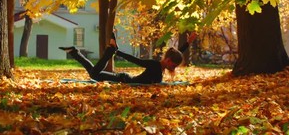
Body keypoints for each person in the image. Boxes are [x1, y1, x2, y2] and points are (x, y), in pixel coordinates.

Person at [59, 32, 197, 84]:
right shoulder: (154, 65)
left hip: (124, 78)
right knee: (94, 74)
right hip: (123, 79)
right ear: (168, 61)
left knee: (94, 73)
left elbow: (177, 53)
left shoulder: (163, 66)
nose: (173, 68)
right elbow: (135, 60)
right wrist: (117, 52)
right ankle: (110, 51)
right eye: (173, 65)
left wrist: (188, 43)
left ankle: (74, 52)